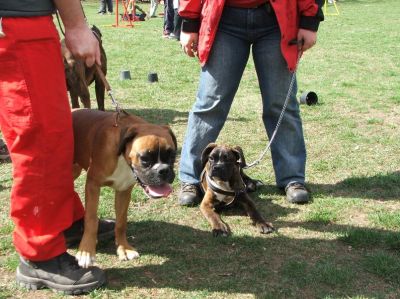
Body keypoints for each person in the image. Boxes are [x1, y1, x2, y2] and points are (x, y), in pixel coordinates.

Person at [0, 0, 114, 294]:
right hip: (14, 26)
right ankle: (39, 253)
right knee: (38, 141)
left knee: (56, 133)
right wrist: (76, 24)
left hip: (28, 21)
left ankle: (65, 220)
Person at [178, 0, 324, 206]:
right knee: (209, 104)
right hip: (223, 19)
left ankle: (292, 178)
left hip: (277, 19)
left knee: (281, 104)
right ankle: (191, 179)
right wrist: (189, 22)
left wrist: (310, 20)